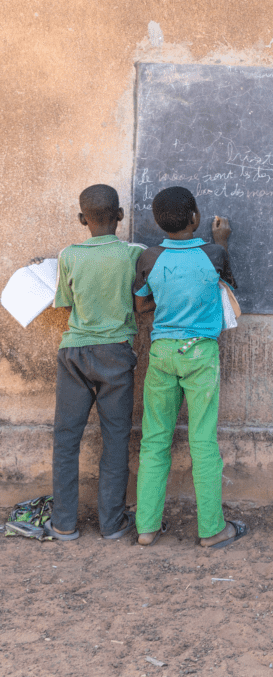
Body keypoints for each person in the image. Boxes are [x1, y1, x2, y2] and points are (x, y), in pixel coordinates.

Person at [132, 186, 247, 549]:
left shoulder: (149, 257)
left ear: (156, 221)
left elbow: (141, 306)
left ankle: (147, 528)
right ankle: (212, 529)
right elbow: (227, 287)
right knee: (202, 439)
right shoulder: (214, 253)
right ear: (196, 218)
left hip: (163, 352)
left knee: (154, 440)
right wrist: (222, 242)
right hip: (200, 353)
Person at [46, 184, 146, 540]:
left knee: (66, 437)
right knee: (116, 438)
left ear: (80, 219)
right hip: (115, 353)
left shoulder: (68, 255)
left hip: (73, 352)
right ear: (120, 215)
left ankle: (63, 523)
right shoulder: (135, 253)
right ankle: (112, 522)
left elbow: (65, 302)